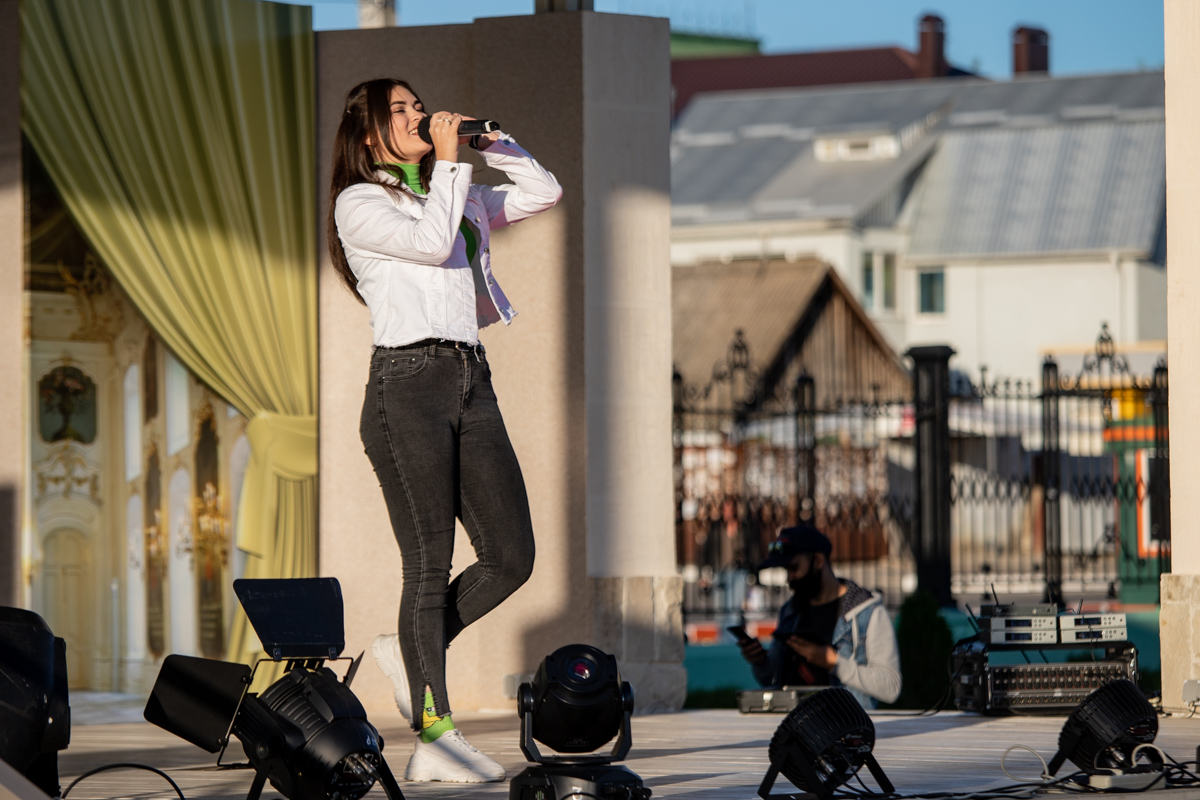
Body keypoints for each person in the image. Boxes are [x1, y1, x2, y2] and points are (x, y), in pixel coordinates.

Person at [327, 78, 562, 783]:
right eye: (399, 110)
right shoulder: (359, 202)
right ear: (369, 133)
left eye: (417, 105)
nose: (419, 115)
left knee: (511, 556)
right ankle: (434, 735)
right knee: (428, 563)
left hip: (470, 377)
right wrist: (452, 163)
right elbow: (431, 246)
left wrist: (494, 144)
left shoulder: (453, 189)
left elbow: (543, 192)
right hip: (405, 385)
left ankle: (406, 650)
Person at [738, 525, 902, 708]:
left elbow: (891, 687)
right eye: (786, 570)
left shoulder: (866, 612)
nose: (789, 578)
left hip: (842, 724)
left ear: (817, 561)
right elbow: (774, 681)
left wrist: (833, 662)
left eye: (794, 568)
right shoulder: (790, 611)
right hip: (794, 723)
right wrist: (760, 662)